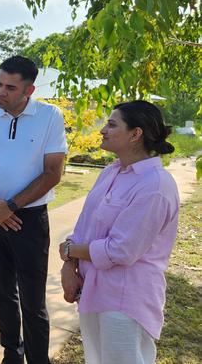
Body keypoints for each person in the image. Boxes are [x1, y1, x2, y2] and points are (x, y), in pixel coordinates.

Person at [58, 100, 179, 364]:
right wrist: (70, 265)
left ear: (135, 135)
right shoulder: (111, 172)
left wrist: (68, 251)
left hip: (125, 300)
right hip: (93, 291)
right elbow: (84, 227)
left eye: (112, 125)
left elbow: (120, 251)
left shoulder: (155, 185)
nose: (103, 130)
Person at [0, 55, 68, 364]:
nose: (0, 92)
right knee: (1, 288)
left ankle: (39, 358)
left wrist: (10, 206)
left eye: (10, 87)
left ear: (29, 90)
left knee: (32, 296)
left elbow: (53, 173)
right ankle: (13, 351)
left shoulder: (50, 116)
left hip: (29, 219)